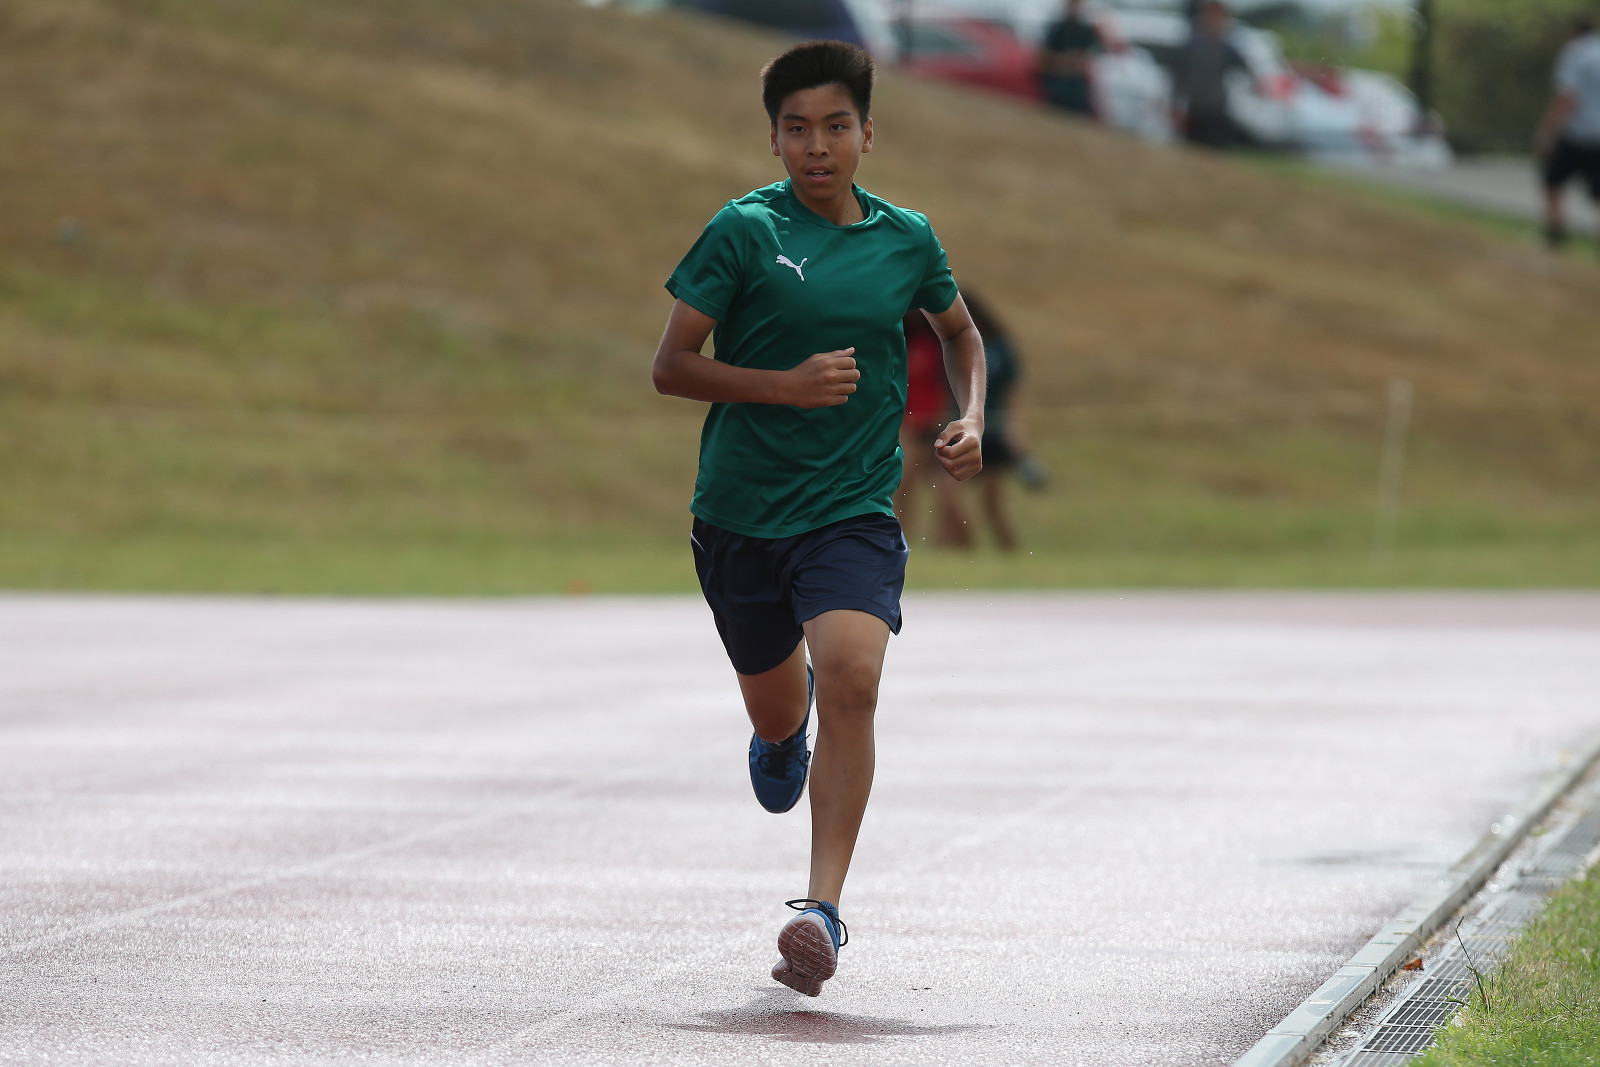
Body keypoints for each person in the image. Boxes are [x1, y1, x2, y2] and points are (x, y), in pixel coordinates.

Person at [650, 40, 985, 997]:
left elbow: (960, 334)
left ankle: (821, 910)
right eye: (796, 129)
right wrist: (783, 386)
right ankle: (777, 730)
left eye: (835, 126)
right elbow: (671, 366)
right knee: (781, 709)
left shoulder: (906, 238)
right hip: (741, 516)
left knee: (854, 675)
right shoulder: (742, 231)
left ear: (867, 133)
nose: (817, 146)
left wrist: (972, 418)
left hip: (852, 511)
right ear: (774, 139)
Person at [895, 309, 973, 547]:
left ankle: (956, 544)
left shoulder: (936, 346)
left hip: (935, 426)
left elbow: (945, 387)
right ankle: (899, 540)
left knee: (948, 492)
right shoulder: (902, 344)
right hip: (909, 427)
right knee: (903, 486)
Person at [1536, 16, 1600, 249]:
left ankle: (1555, 236)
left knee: (1552, 182)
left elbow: (1567, 96)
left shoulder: (1575, 52)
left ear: (1574, 32)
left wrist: (1548, 131)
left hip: (1578, 133)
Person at [1172, 0, 1248, 150]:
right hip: (1194, 109)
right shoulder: (1192, 46)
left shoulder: (1228, 47)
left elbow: (1243, 72)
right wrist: (1177, 105)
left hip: (1217, 110)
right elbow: (1179, 78)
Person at [1037, 0, 1102, 118]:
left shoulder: (1087, 31)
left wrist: (1058, 61)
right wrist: (1070, 61)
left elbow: (1084, 64)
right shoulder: (1057, 28)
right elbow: (1043, 60)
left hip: (1076, 90)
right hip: (1055, 87)